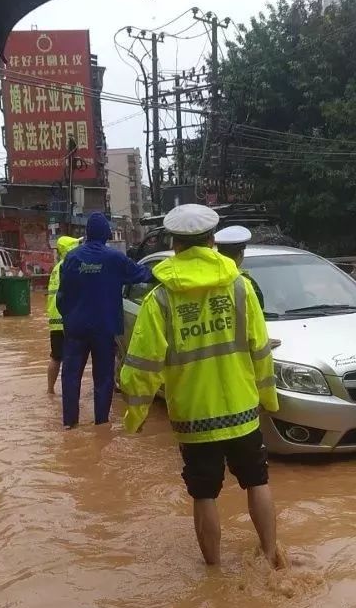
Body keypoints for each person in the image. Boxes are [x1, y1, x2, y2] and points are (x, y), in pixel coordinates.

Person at [120, 203, 282, 569]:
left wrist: (136, 413)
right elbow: (261, 350)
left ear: (175, 245)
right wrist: (268, 399)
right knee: (257, 481)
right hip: (243, 410)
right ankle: (272, 555)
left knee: (204, 493)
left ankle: (214, 575)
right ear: (212, 241)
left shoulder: (160, 298)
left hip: (194, 417)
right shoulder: (240, 288)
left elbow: (142, 365)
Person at [57, 211, 152, 428]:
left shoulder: (72, 258)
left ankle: (69, 425)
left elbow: (62, 296)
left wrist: (69, 318)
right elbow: (143, 274)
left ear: (87, 233)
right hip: (104, 328)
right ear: (107, 234)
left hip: (75, 329)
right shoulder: (115, 259)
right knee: (104, 378)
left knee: (71, 377)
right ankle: (101, 423)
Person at [215, 225, 281, 350]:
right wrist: (262, 343)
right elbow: (255, 323)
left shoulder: (195, 280)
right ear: (241, 253)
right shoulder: (244, 284)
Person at [46, 235, 80, 395]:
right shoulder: (69, 266)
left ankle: (50, 390)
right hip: (67, 320)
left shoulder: (56, 268)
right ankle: (69, 392)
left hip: (55, 321)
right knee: (71, 359)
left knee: (56, 357)